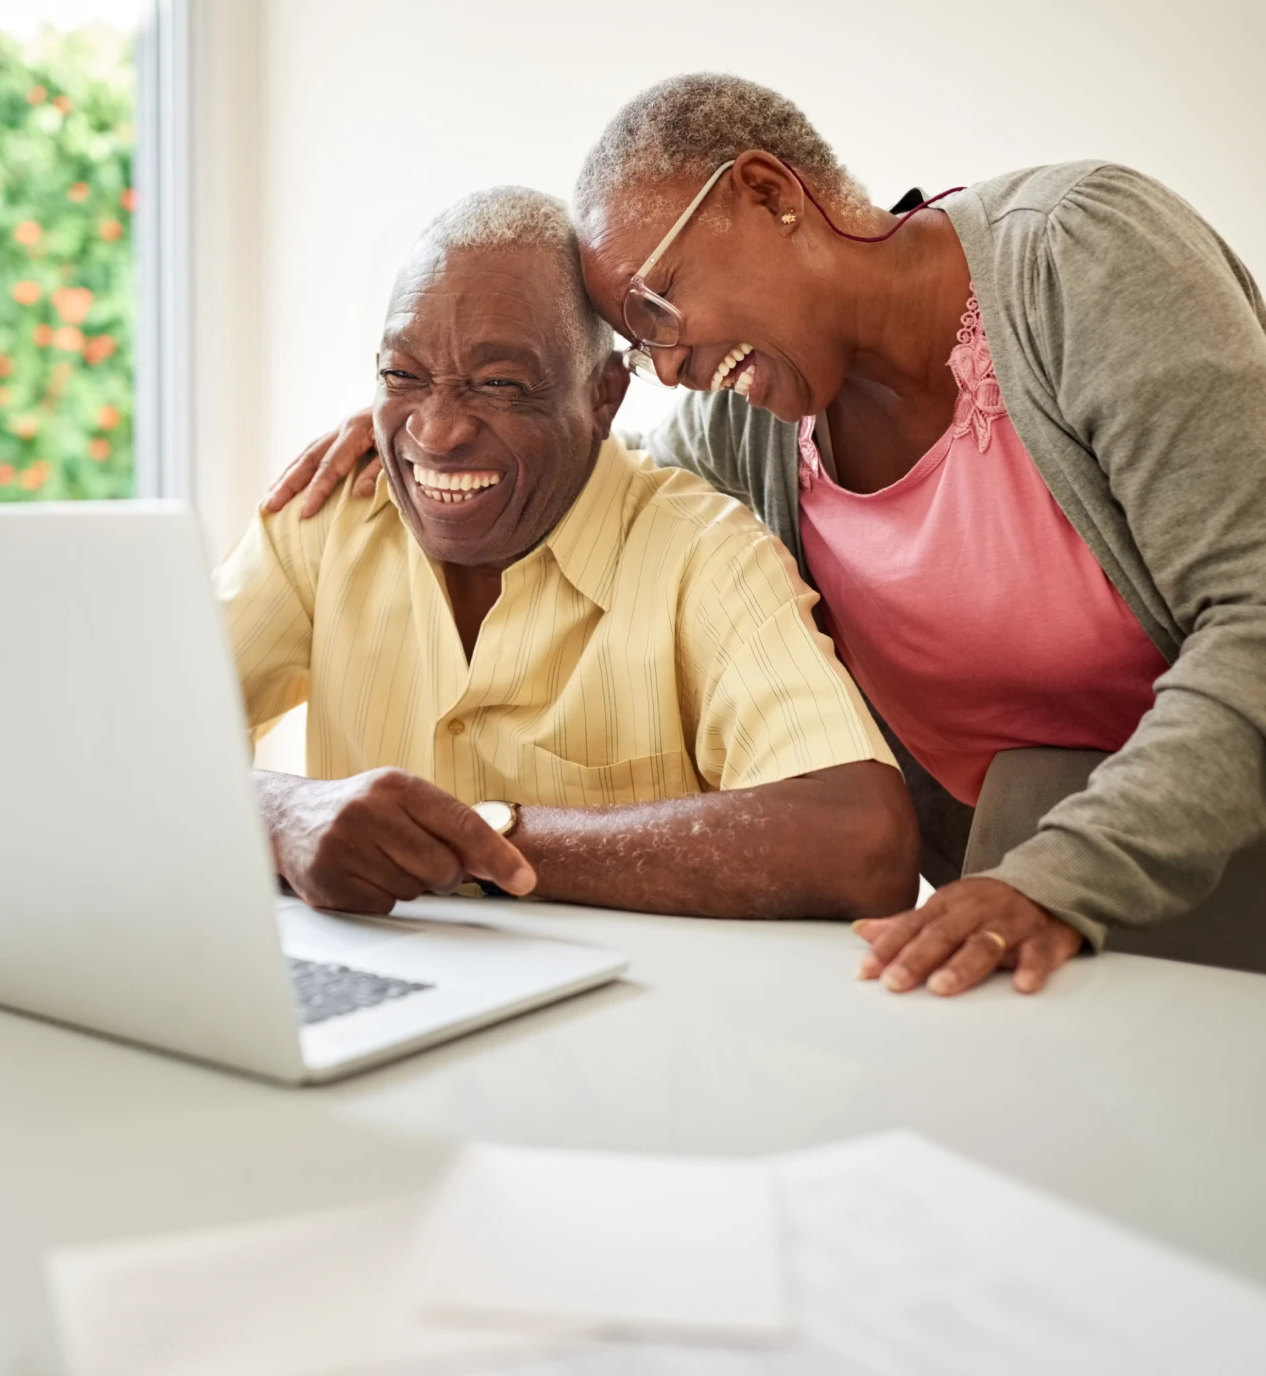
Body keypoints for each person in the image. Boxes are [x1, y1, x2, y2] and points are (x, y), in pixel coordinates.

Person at [268, 75, 1266, 998]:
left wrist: (1062, 875)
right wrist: (433, 411)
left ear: (770, 196)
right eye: (638, 338)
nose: (667, 364)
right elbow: (589, 459)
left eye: (660, 305)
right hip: (1021, 872)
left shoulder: (1080, 253)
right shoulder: (748, 424)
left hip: (1211, 835)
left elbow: (1256, 618)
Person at [217, 186, 918, 922]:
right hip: (375, 1014)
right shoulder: (324, 522)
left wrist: (482, 839)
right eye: (404, 377)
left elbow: (861, 842)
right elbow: (110, 740)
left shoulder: (706, 557)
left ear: (604, 397)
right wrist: (281, 811)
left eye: (499, 384)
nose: (436, 432)